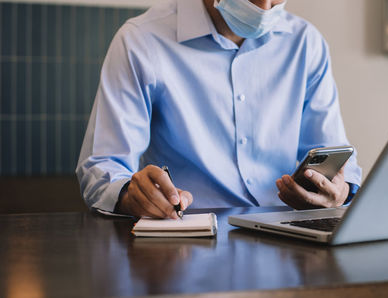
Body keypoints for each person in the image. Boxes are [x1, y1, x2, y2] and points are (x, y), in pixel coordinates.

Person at [76, 0, 362, 219]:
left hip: (290, 237)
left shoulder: (306, 43)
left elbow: (333, 159)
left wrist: (340, 191)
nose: (263, 8)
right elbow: (103, 167)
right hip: (189, 241)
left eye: (275, 0)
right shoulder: (140, 41)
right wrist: (131, 194)